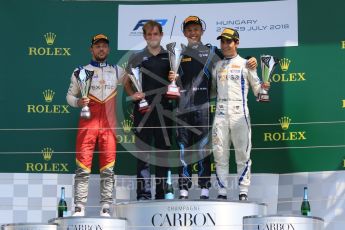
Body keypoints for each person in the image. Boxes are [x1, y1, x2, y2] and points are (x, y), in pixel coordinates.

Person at [168, 16, 257, 200]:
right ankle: (185, 189)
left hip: (204, 109)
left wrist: (252, 60)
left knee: (204, 149)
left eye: (196, 29)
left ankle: (206, 189)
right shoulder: (178, 53)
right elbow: (177, 81)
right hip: (183, 108)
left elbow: (234, 60)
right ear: (184, 33)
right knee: (185, 149)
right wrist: (172, 78)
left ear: (202, 31)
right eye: (189, 30)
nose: (193, 33)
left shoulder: (212, 52)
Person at [66, 34, 125, 216]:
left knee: (108, 167)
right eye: (97, 46)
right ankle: (79, 206)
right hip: (88, 123)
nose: (101, 49)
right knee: (82, 166)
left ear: (108, 49)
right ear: (91, 49)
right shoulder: (80, 72)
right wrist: (78, 103)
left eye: (104, 46)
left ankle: (106, 205)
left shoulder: (118, 71)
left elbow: (134, 87)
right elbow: (69, 97)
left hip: (109, 125)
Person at [211, 28, 269, 201]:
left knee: (242, 155)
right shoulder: (217, 66)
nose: (225, 45)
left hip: (239, 114)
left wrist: (264, 89)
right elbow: (212, 92)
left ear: (237, 43)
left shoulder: (246, 64)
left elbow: (258, 90)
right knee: (220, 155)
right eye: (222, 41)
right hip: (220, 114)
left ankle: (243, 191)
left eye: (229, 41)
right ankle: (222, 192)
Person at [123, 20, 173, 200]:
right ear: (144, 36)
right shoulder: (136, 57)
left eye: (156, 34)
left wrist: (174, 79)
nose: (152, 37)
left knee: (162, 154)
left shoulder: (170, 56)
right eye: (149, 34)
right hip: (142, 111)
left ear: (161, 35)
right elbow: (126, 82)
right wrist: (133, 95)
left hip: (165, 111)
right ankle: (143, 194)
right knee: (143, 155)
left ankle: (161, 194)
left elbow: (178, 84)